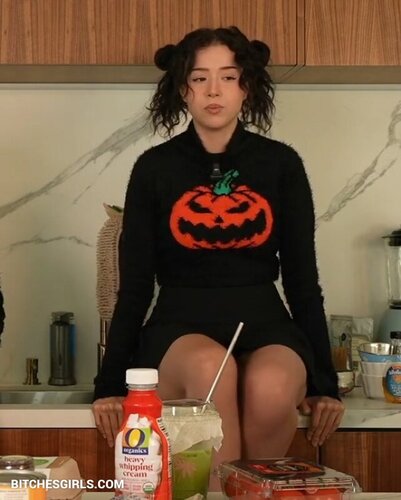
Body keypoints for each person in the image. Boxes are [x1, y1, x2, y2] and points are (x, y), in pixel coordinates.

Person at [92, 26, 344, 490]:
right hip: (179, 326)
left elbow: (303, 280)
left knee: (270, 387)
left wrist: (324, 386)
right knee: (213, 368)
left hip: (266, 322)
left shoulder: (281, 164)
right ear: (182, 88)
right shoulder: (154, 168)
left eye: (228, 77)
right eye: (199, 78)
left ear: (246, 86)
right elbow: (136, 286)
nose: (213, 90)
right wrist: (109, 386)